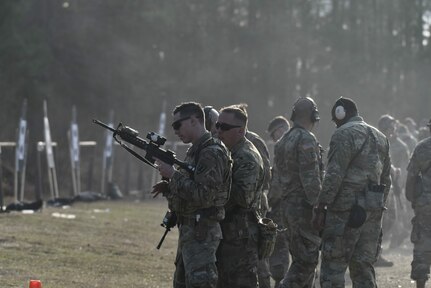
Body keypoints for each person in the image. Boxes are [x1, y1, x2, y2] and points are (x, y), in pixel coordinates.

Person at [151, 102, 232, 288]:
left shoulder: (211, 152)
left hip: (202, 233)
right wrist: (169, 185)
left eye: (177, 125)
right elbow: (191, 186)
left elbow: (205, 196)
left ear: (194, 120)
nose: (176, 131)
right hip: (190, 230)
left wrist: (173, 175)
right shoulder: (196, 150)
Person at [313, 97, 391, 288]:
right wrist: (378, 207)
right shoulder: (381, 137)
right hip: (373, 210)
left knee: (333, 267)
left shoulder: (343, 134)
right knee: (364, 268)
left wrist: (321, 206)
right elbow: (386, 179)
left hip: (344, 212)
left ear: (340, 113)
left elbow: (334, 175)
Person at [275, 97, 323, 288]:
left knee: (299, 258)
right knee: (306, 262)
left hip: (287, 208)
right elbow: (311, 181)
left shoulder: (282, 141)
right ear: (313, 116)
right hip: (304, 210)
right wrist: (321, 208)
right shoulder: (306, 139)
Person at [215, 104, 264, 288]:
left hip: (240, 240)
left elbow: (243, 197)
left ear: (241, 131)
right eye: (218, 125)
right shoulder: (226, 151)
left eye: (225, 127)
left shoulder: (247, 157)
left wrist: (212, 187)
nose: (219, 131)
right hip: (226, 234)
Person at [405, 118, 431, 288]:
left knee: (422, 245)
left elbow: (411, 178)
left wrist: (413, 199)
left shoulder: (421, 148)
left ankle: (421, 284)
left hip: (425, 205)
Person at [266, 115, 291, 288]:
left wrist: (269, 203)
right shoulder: (305, 142)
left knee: (279, 251)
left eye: (274, 135)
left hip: (282, 208)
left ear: (280, 130)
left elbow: (277, 185)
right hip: (302, 208)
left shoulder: (282, 148)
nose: (274, 139)